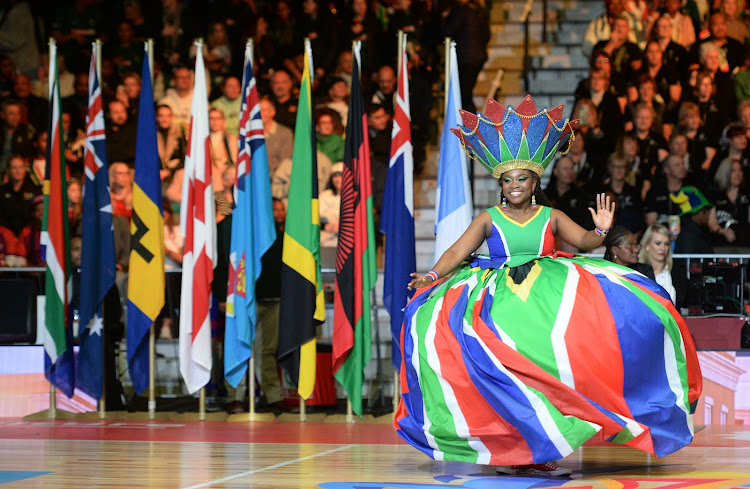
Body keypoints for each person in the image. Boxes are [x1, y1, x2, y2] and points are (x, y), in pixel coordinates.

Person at [399, 96, 701, 475]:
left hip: (546, 298)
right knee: (500, 365)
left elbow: (587, 242)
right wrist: (431, 276)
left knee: (555, 364)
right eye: (507, 180)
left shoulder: (551, 215)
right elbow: (458, 251)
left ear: (534, 181)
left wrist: (603, 228)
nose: (514, 186)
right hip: (498, 299)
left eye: (521, 179)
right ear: (500, 184)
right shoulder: (488, 218)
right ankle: (514, 444)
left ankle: (543, 443)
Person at [639, 223, 687, 308]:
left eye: (666, 244)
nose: (663, 248)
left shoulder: (677, 270)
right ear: (647, 245)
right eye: (658, 243)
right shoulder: (638, 272)